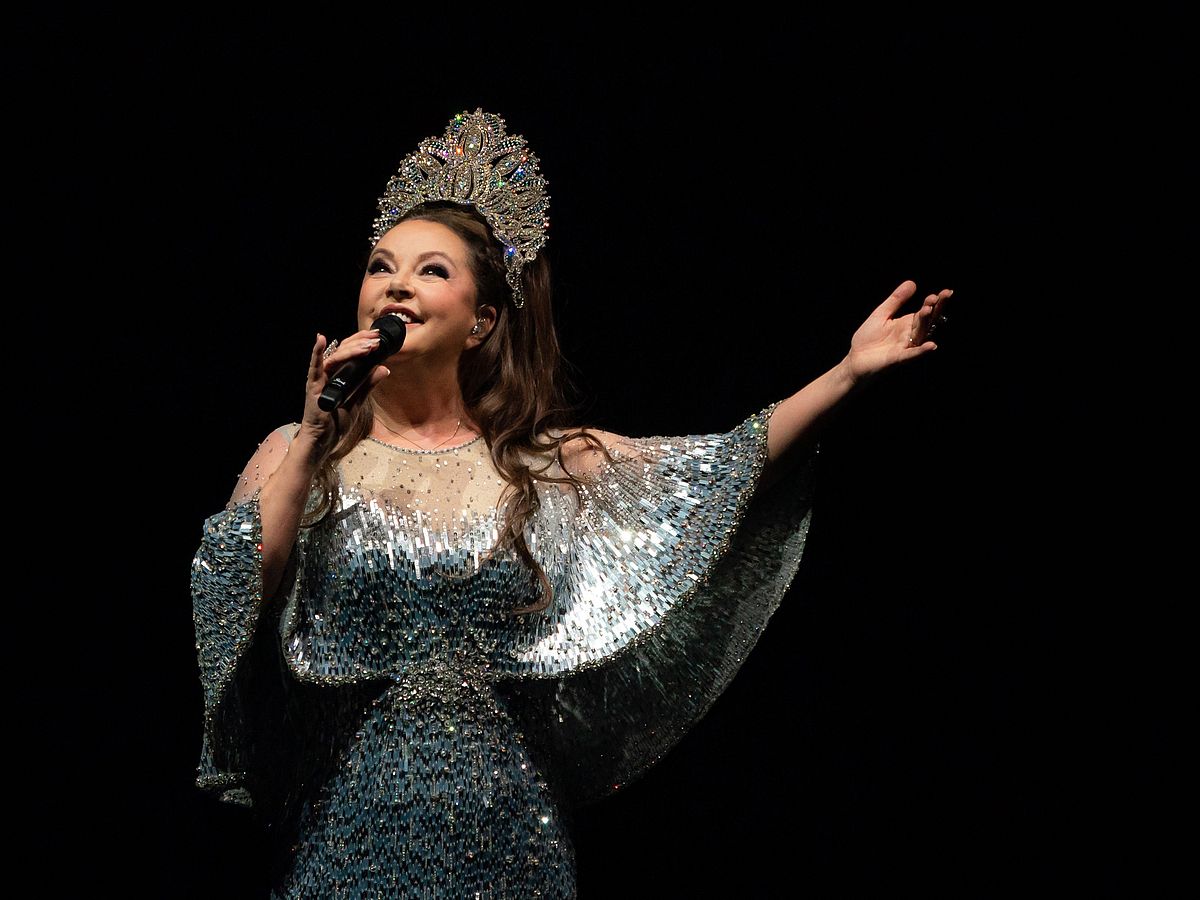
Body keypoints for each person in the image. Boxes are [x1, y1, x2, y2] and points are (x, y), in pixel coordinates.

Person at [190, 108, 953, 898]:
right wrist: (317, 433)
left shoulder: (541, 461)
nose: (396, 284)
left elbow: (717, 467)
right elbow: (241, 584)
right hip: (343, 829)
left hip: (510, 833)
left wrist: (847, 373)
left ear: (482, 320)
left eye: (431, 270)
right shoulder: (299, 452)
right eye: (381, 265)